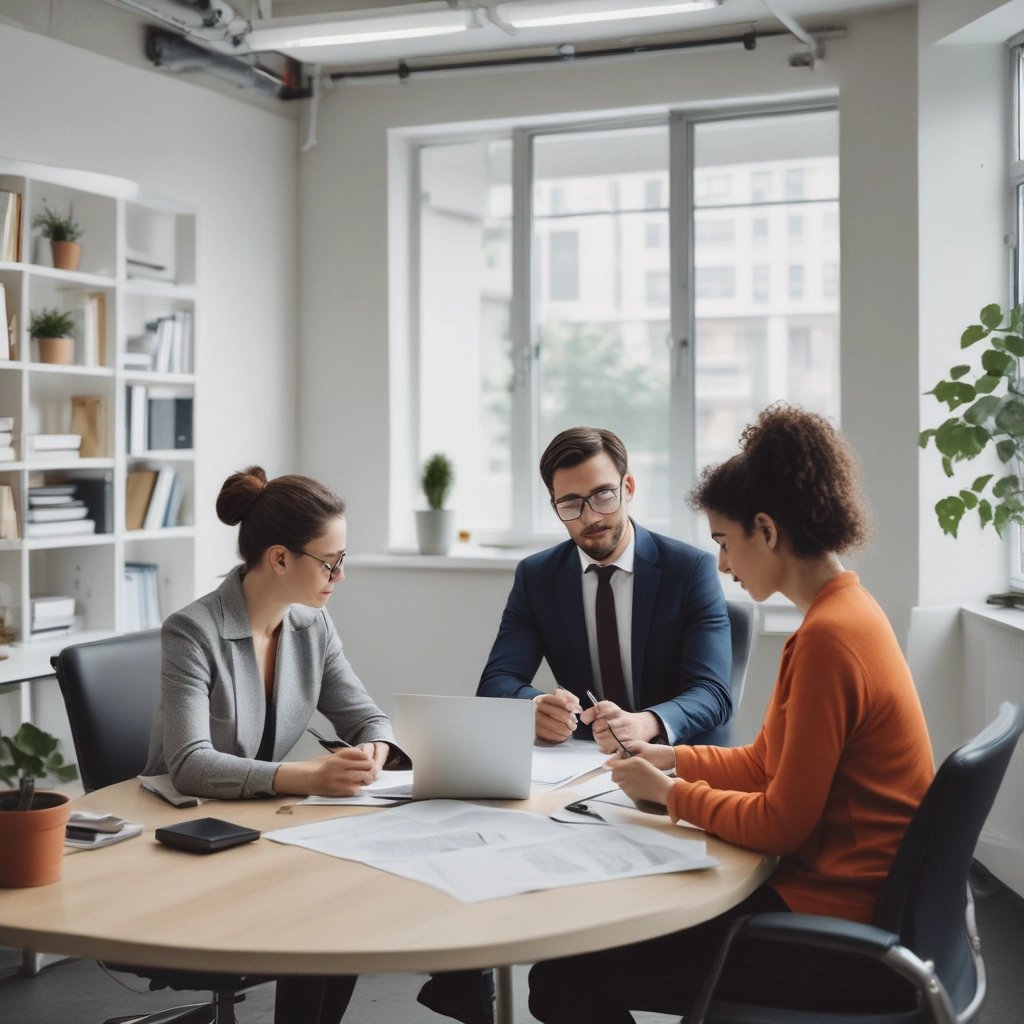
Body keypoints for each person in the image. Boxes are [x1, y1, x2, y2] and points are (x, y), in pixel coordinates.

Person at [528, 405, 936, 1023]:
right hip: (850, 903)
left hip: (830, 930)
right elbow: (770, 761)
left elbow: (778, 826)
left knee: (565, 975)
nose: (722, 565)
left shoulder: (829, 639)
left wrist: (670, 795)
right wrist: (670, 758)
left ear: (766, 530)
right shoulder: (847, 614)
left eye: (724, 541)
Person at [144, 466, 407, 1024]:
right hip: (190, 833)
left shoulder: (314, 626)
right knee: (322, 906)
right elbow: (188, 764)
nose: (340, 574)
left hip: (262, 824)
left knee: (352, 894)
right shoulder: (192, 632)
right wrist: (308, 777)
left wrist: (375, 749)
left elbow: (369, 717)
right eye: (330, 561)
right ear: (280, 558)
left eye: (343, 559)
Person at [477, 425, 732, 752]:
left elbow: (713, 693)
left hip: (675, 760)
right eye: (570, 505)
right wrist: (534, 705)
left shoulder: (689, 569)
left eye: (603, 496)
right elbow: (495, 683)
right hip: (584, 761)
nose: (591, 517)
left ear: (628, 487)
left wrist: (645, 722)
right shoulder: (537, 575)